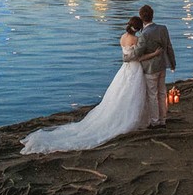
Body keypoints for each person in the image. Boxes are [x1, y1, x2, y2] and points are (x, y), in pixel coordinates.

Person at [20, 16, 154, 154]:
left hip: (124, 69)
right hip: (134, 68)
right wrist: (154, 53)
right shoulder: (136, 40)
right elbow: (137, 57)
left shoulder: (122, 38)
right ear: (138, 28)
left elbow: (126, 55)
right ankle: (135, 118)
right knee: (133, 93)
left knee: (121, 93)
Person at [133, 4, 177, 128]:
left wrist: (128, 52)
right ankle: (163, 119)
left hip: (151, 68)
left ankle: (155, 121)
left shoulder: (144, 35)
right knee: (162, 92)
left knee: (152, 94)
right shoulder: (163, 28)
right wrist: (173, 63)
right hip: (163, 64)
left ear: (141, 18)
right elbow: (169, 46)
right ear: (152, 16)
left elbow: (137, 53)